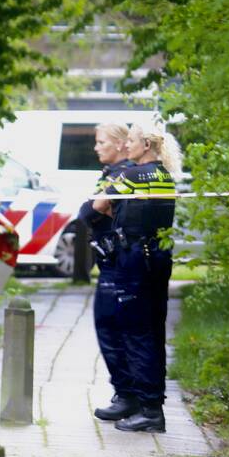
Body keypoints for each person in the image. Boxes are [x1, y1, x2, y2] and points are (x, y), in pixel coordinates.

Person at [91, 120, 182, 432]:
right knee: (155, 331)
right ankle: (152, 403)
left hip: (134, 261)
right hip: (160, 258)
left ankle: (149, 411)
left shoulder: (130, 175)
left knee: (135, 332)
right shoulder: (165, 176)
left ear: (146, 145)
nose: (127, 146)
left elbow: (98, 205)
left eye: (131, 140)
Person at [76, 124, 136, 423]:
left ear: (119, 143)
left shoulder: (121, 174)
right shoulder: (112, 174)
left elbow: (89, 212)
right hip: (113, 262)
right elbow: (91, 212)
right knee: (116, 329)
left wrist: (92, 208)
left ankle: (127, 394)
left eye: (101, 142)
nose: (96, 148)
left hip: (116, 265)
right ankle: (126, 393)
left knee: (111, 329)